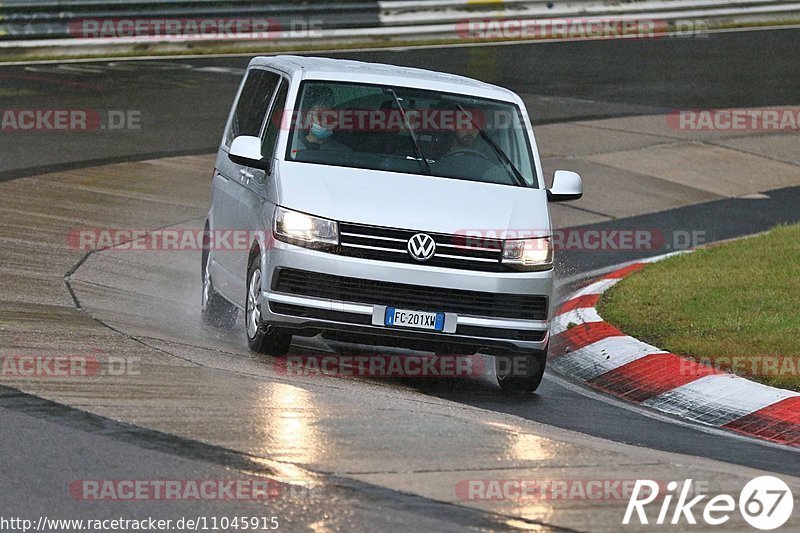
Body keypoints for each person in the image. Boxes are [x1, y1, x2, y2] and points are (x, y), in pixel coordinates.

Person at [290, 86, 350, 158]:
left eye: (330, 117)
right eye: (320, 116)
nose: (325, 122)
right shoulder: (292, 149)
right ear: (309, 118)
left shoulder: (343, 153)